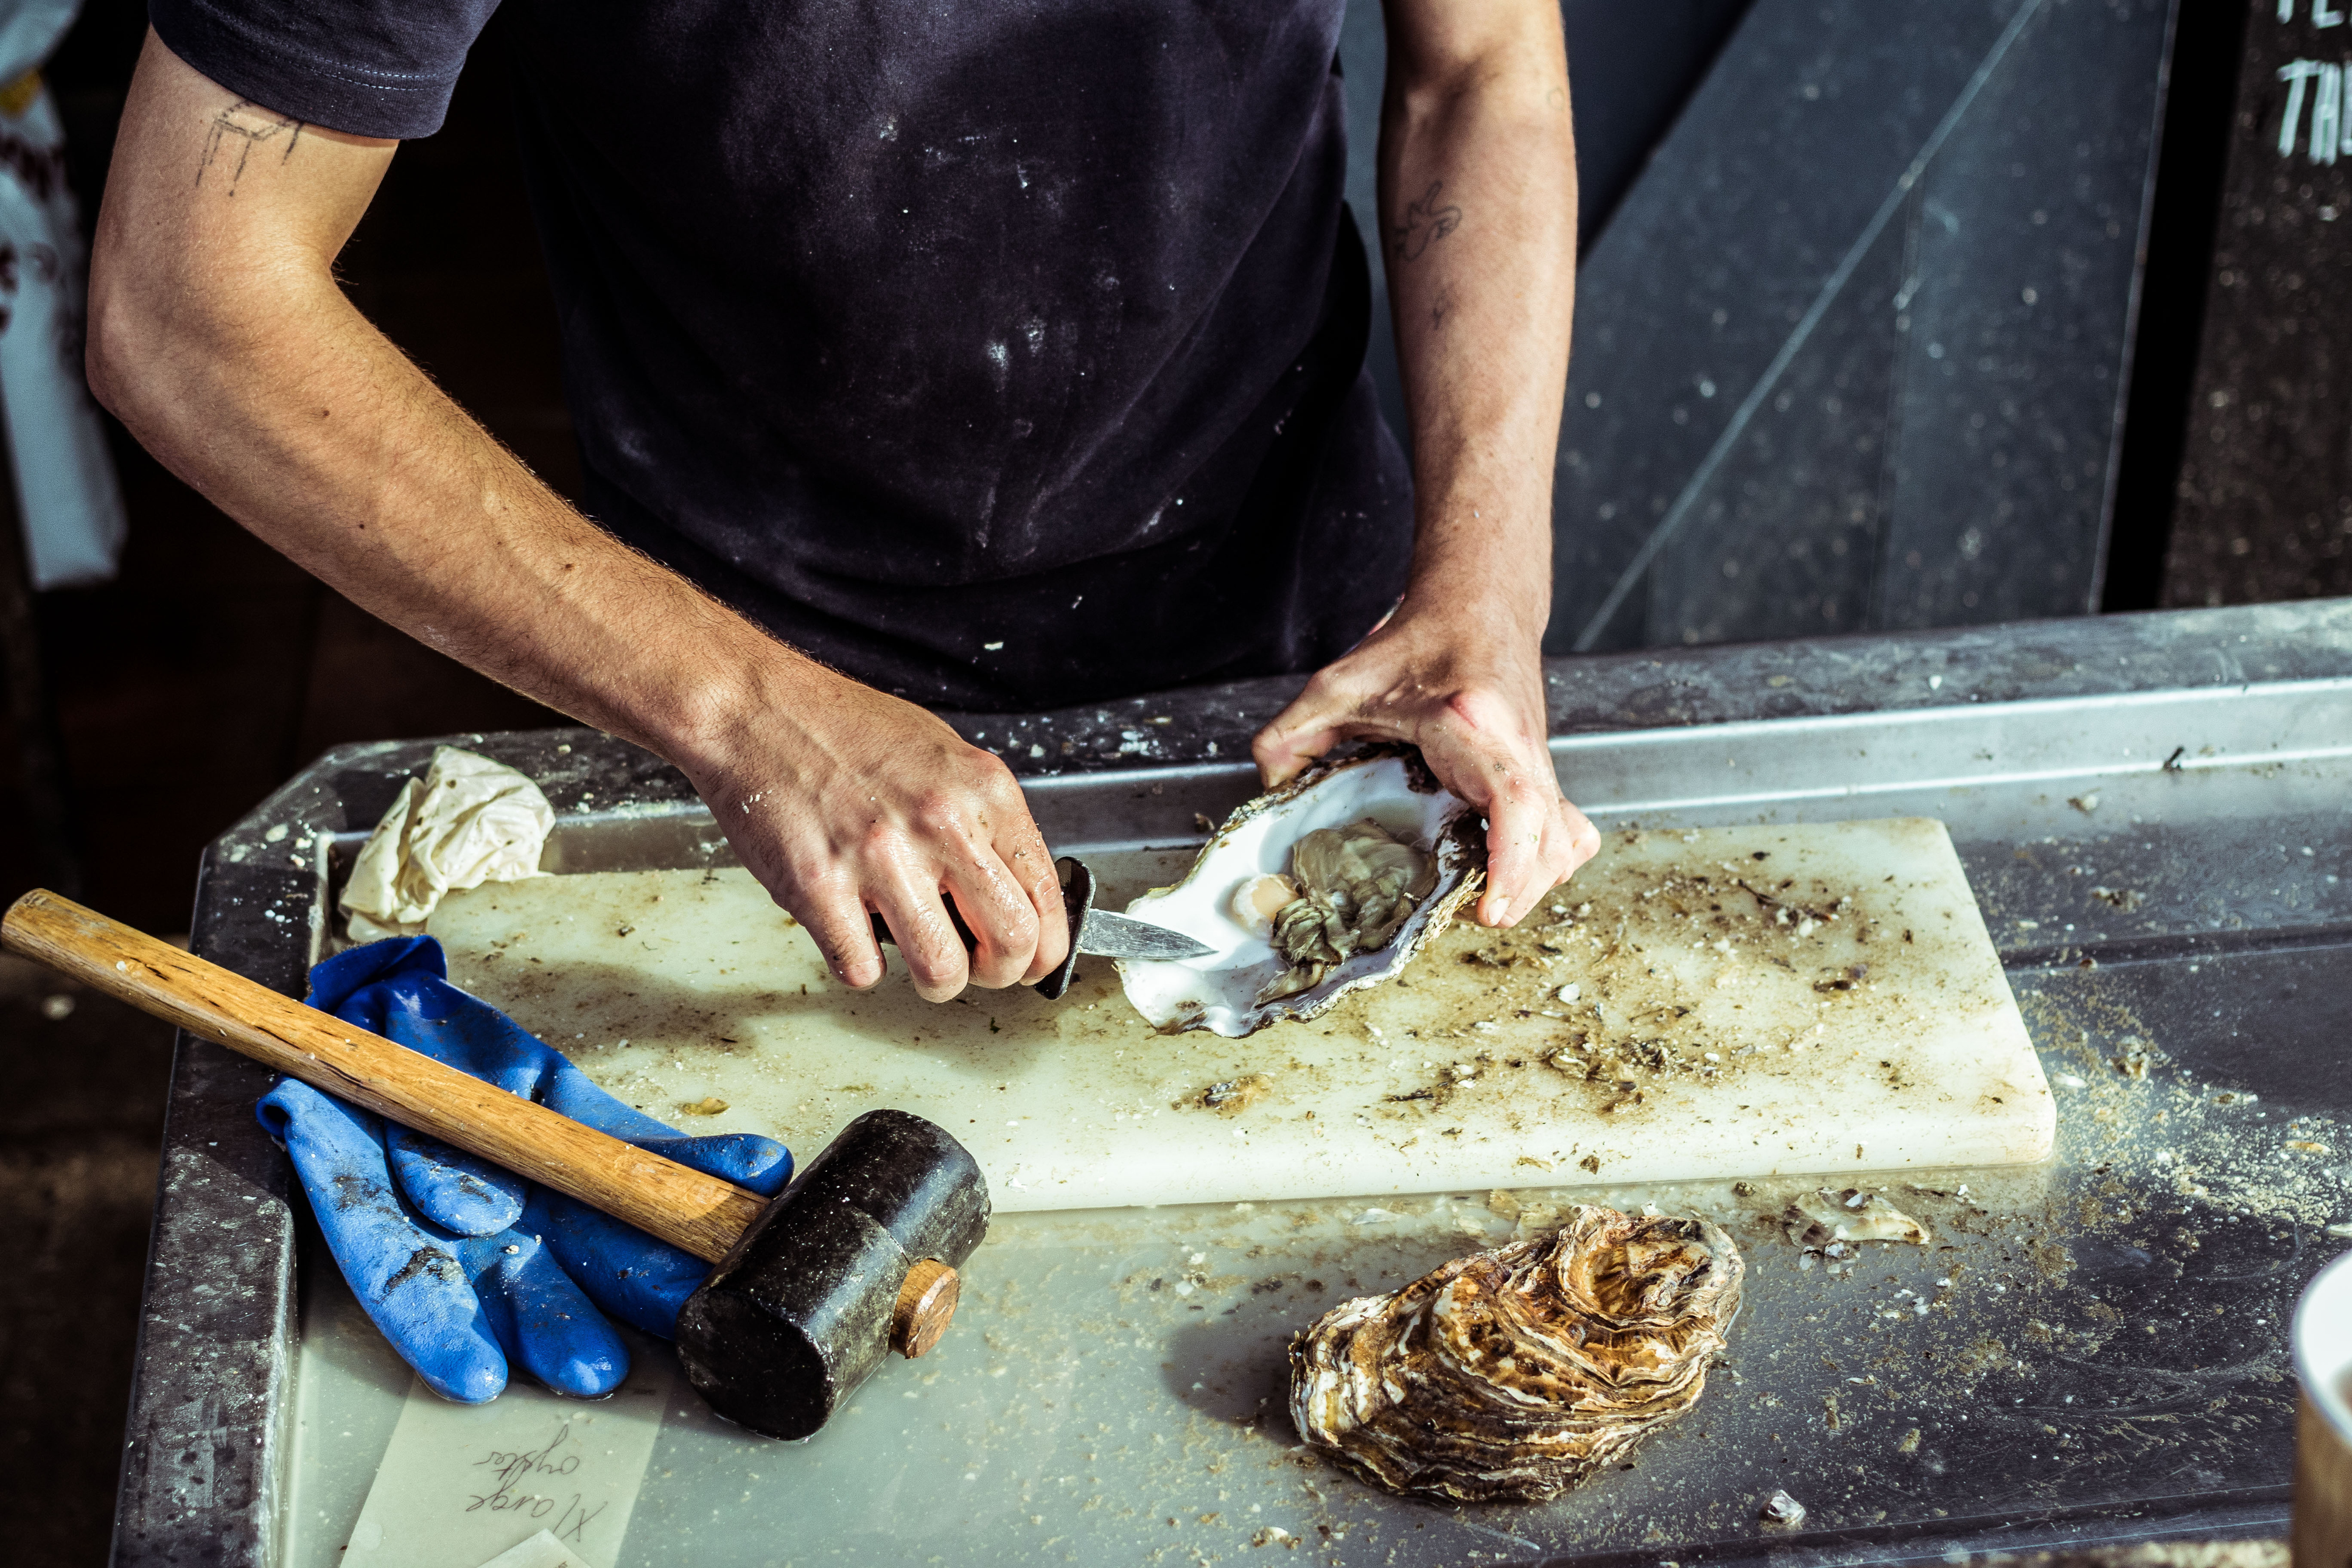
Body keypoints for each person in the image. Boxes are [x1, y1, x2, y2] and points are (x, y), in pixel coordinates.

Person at [88, 0, 1600, 1005]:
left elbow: (1482, 70)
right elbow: (187, 302)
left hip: (1307, 644)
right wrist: (749, 715)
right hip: (735, 690)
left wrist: (1486, 582)